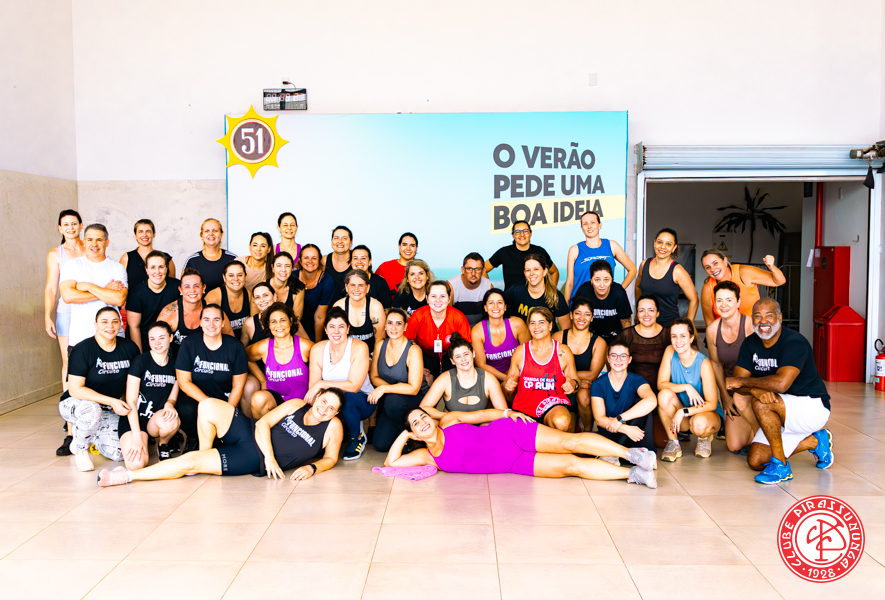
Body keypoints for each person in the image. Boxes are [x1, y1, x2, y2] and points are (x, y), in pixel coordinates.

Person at [97, 388, 345, 486]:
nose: (324, 409)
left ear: (335, 413)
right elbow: (263, 424)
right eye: (323, 401)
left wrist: (312, 468)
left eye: (331, 408)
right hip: (251, 431)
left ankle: (126, 476)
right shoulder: (297, 404)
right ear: (317, 397)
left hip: (252, 457)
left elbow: (331, 458)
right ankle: (207, 454)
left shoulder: (332, 426)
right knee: (207, 405)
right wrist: (271, 457)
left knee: (190, 462)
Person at [385, 407, 657, 489]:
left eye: (423, 416)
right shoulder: (427, 456)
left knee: (569, 442)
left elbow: (482, 415)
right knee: (570, 465)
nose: (423, 422)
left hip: (511, 434)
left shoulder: (448, 420)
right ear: (414, 433)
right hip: (512, 465)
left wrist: (508, 412)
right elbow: (391, 463)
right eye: (416, 423)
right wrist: (405, 434)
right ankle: (635, 475)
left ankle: (633, 455)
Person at [725, 299, 833, 485]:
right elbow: (736, 385)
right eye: (758, 316)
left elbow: (781, 383)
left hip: (811, 406)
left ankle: (781, 467)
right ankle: (816, 441)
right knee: (756, 461)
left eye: (769, 315)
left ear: (779, 318)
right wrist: (754, 389)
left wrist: (744, 383)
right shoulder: (750, 343)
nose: (763, 321)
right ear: (752, 319)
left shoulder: (795, 342)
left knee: (762, 403)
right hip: (780, 407)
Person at [58, 307, 140, 471]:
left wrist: (122, 404)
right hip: (76, 403)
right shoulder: (83, 349)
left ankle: (90, 434)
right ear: (95, 325)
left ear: (120, 324)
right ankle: (81, 449)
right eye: (104, 322)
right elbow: (75, 389)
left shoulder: (129, 348)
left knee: (119, 453)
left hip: (108, 407)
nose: (110, 326)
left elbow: (131, 383)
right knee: (92, 410)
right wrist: (112, 401)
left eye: (114, 321)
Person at [175, 304, 248, 453]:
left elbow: (238, 386)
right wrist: (208, 404)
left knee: (222, 447)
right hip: (198, 399)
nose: (211, 324)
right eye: (207, 319)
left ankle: (218, 438)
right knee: (185, 408)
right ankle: (193, 438)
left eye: (216, 320)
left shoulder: (235, 347)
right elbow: (184, 382)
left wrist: (226, 411)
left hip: (224, 399)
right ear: (200, 322)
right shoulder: (189, 344)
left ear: (223, 323)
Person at [305, 307, 374, 460]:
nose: (336, 331)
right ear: (325, 329)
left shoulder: (359, 347)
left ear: (348, 329)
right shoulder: (317, 349)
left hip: (362, 400)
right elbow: (314, 388)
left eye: (341, 326)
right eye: (332, 326)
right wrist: (319, 392)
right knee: (314, 400)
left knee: (348, 398)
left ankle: (357, 437)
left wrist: (322, 383)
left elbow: (354, 386)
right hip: (332, 401)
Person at [656, 318, 722, 461]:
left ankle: (704, 437)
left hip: (706, 414)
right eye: (674, 336)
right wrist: (686, 387)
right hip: (684, 416)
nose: (678, 341)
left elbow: (711, 404)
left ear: (691, 338)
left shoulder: (703, 363)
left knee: (698, 425)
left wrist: (684, 411)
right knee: (663, 395)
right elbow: (661, 384)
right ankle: (673, 443)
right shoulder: (670, 351)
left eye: (683, 336)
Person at [504, 307, 579, 432]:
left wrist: (573, 384)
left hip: (553, 406)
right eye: (532, 323)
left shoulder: (563, 351)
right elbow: (508, 387)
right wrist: (507, 386)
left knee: (562, 422)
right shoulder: (520, 352)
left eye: (541, 322)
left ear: (550, 325)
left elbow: (576, 382)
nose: (536, 327)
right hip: (524, 408)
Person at [120, 321, 181, 467]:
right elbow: (131, 402)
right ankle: (142, 439)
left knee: (172, 421)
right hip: (134, 419)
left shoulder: (176, 364)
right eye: (152, 339)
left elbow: (173, 397)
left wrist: (170, 404)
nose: (157, 343)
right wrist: (136, 435)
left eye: (162, 338)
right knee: (136, 465)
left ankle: (163, 444)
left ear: (171, 338)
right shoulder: (140, 361)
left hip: (155, 420)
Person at [59, 223, 129, 350]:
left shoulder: (117, 268)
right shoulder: (72, 265)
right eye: (90, 240)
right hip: (80, 339)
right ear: (84, 242)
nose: (94, 244)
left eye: (99, 240)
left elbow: (119, 299)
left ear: (107, 243)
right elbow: (68, 296)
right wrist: (106, 291)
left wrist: (88, 286)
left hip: (112, 340)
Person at [368, 308, 429, 451]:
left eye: (398, 323)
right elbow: (374, 376)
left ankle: (415, 439)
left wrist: (385, 388)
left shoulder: (413, 350)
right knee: (380, 444)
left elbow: (414, 389)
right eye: (390, 323)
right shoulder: (380, 345)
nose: (393, 327)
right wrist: (390, 389)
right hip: (394, 401)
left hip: (415, 399)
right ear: (385, 325)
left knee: (392, 400)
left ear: (405, 326)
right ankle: (405, 431)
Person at [707, 281, 757, 453]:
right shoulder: (712, 330)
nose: (724, 305)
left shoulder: (750, 325)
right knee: (735, 445)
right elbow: (716, 364)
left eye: (729, 300)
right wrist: (724, 396)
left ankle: (764, 435)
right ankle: (755, 431)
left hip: (755, 389)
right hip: (732, 392)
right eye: (719, 300)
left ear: (738, 302)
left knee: (758, 439)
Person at [591, 340, 658, 460]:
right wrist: (623, 428)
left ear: (629, 359)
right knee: (583, 437)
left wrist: (620, 419)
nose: (618, 360)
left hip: (635, 436)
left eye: (623, 356)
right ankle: (622, 454)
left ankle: (614, 454)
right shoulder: (598, 384)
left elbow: (652, 401)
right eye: (614, 355)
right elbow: (600, 419)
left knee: (641, 403)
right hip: (611, 434)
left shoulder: (636, 380)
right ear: (608, 359)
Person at [419, 332, 508, 419]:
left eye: (466, 354)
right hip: (453, 425)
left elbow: (504, 412)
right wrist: (450, 417)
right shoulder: (445, 379)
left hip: (481, 426)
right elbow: (424, 408)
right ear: (452, 361)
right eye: (458, 357)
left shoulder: (488, 379)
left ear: (473, 354)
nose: (463, 359)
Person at [247, 303, 312, 419]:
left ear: (290, 321)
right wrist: (262, 380)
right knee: (258, 399)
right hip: (275, 403)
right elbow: (244, 357)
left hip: (301, 404)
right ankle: (262, 428)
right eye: (273, 321)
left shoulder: (305, 346)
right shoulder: (263, 347)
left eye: (282, 320)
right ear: (268, 325)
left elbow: (322, 365)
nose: (278, 325)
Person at [45, 209, 85, 396]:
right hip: (66, 312)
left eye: (74, 223)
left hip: (90, 309)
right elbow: (51, 289)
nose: (71, 227)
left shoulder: (90, 248)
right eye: (66, 224)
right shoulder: (56, 254)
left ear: (81, 226)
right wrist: (47, 316)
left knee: (92, 358)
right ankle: (68, 405)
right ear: (60, 228)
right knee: (69, 360)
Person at [553, 296, 607, 432]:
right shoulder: (557, 337)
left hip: (584, 388)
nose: (582, 318)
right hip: (561, 386)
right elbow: (550, 368)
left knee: (583, 396)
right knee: (568, 431)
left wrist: (575, 381)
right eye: (578, 313)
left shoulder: (599, 342)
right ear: (571, 315)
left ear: (592, 318)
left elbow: (592, 374)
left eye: (587, 314)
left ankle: (588, 430)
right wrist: (575, 381)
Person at [157, 269, 233, 359]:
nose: (192, 290)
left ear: (203, 288)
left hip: (207, 362)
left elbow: (230, 339)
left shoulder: (213, 311)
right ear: (180, 290)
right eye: (187, 287)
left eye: (196, 286)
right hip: (177, 362)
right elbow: (156, 344)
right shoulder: (169, 313)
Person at [699, 249, 786, 327]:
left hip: (751, 329)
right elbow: (710, 322)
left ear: (725, 261)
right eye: (707, 267)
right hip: (725, 333)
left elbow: (779, 281)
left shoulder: (744, 273)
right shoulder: (707, 288)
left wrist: (772, 267)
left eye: (715, 263)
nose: (712, 269)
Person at [404, 280, 472, 380]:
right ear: (427, 299)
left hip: (451, 356)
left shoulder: (459, 318)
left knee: (452, 382)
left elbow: (466, 348)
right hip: (424, 356)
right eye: (433, 296)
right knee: (425, 382)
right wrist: (415, 365)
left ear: (449, 299)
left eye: (443, 296)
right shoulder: (418, 316)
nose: (438, 300)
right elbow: (406, 343)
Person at [564, 210, 636, 299]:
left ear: (599, 225)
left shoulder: (611, 245)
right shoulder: (575, 250)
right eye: (585, 224)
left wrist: (617, 292)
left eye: (593, 222)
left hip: (605, 303)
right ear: (582, 228)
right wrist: (565, 306)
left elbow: (632, 270)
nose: (589, 226)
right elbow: (570, 283)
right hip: (581, 302)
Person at [635, 228, 698, 326]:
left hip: (668, 326)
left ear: (674, 248)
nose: (663, 247)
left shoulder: (677, 271)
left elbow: (694, 300)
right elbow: (637, 287)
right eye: (660, 242)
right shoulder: (644, 264)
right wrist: (638, 312)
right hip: (645, 324)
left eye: (668, 244)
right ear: (654, 243)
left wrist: (688, 326)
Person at [126, 250, 181, 352]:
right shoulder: (137, 293)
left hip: (171, 342)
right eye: (152, 267)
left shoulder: (177, 287)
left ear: (166, 268)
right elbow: (134, 327)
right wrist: (141, 357)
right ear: (146, 270)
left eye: (161, 267)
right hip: (145, 343)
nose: (157, 272)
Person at [471, 288, 529, 385]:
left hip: (517, 373)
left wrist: (514, 376)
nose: (495, 306)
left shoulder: (518, 324)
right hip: (491, 378)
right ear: (485, 307)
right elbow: (481, 364)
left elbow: (529, 354)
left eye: (499, 302)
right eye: (491, 303)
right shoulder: (477, 331)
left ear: (505, 306)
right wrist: (506, 378)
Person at [485, 220, 559, 290]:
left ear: (530, 234)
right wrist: (492, 291)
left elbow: (554, 272)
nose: (522, 234)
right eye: (517, 232)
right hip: (510, 298)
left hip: (535, 298)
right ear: (513, 235)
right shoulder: (504, 252)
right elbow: (482, 270)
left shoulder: (540, 252)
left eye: (525, 231)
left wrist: (551, 292)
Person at [618, 295, 670, 395]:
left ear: (658, 313)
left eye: (651, 310)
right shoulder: (626, 335)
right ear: (637, 313)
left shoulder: (668, 335)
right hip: (632, 390)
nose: (646, 314)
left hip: (662, 391)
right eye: (641, 310)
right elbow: (615, 363)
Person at [504, 254, 570, 331]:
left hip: (548, 337)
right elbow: (498, 307)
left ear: (545, 271)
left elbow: (566, 330)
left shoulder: (556, 297)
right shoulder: (515, 291)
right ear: (524, 273)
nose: (531, 273)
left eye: (536, 269)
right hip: (522, 337)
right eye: (528, 270)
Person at [574, 260, 632, 343]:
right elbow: (576, 319)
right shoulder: (584, 292)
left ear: (612, 279)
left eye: (606, 280)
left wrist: (625, 344)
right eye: (597, 280)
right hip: (590, 336)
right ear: (591, 280)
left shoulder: (619, 293)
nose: (602, 285)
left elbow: (626, 324)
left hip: (615, 336)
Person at [333, 269, 386, 352]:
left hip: (371, 353)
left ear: (367, 288)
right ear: (346, 287)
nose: (356, 289)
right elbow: (335, 340)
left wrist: (373, 360)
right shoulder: (339, 306)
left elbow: (379, 342)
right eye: (352, 285)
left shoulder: (376, 307)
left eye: (361, 285)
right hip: (346, 353)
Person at [182, 218, 237, 294]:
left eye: (215, 230)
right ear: (202, 235)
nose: (211, 233)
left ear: (221, 234)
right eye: (207, 231)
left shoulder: (232, 259)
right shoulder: (193, 260)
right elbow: (184, 289)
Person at [119, 219, 176, 291]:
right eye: (140, 232)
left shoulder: (166, 258)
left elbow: (172, 287)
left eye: (148, 231)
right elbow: (120, 286)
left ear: (154, 234)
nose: (144, 235)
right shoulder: (126, 258)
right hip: (133, 298)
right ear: (135, 235)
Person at [205, 260, 251, 340]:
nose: (236, 279)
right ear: (224, 277)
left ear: (245, 276)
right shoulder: (214, 297)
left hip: (244, 342)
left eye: (240, 275)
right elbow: (207, 328)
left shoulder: (249, 295)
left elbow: (255, 327)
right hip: (222, 343)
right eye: (231, 275)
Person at [297, 243, 334, 342]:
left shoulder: (327, 281)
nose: (310, 261)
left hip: (317, 331)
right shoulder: (292, 277)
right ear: (300, 260)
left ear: (319, 261)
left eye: (314, 258)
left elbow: (319, 317)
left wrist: (316, 345)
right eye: (306, 258)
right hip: (295, 329)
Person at [449, 252, 493, 328]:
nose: (473, 273)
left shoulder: (488, 286)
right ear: (463, 270)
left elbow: (493, 315)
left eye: (477, 269)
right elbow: (446, 317)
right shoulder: (451, 286)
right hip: (458, 329)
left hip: (481, 330)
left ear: (483, 271)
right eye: (469, 269)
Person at [264, 251, 305, 323]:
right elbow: (256, 318)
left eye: (287, 266)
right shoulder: (262, 287)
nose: (283, 270)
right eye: (279, 265)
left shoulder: (298, 289)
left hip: (288, 328)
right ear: (273, 268)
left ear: (292, 268)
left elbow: (296, 320)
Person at [351, 245, 392, 309]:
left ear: (370, 261)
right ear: (351, 262)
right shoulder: (343, 282)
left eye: (363, 258)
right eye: (355, 258)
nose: (359, 261)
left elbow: (387, 309)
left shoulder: (380, 283)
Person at [322, 225, 354, 304]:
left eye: (344, 238)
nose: (340, 241)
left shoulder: (356, 261)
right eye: (336, 238)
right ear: (332, 241)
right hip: (326, 307)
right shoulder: (324, 260)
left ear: (351, 242)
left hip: (350, 307)